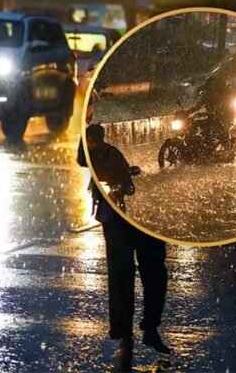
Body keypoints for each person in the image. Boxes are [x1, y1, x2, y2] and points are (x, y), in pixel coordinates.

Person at [77, 123, 170, 371]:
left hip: (129, 219)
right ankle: (127, 333)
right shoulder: (94, 151)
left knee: (151, 271)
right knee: (124, 274)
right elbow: (81, 159)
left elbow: (127, 183)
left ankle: (147, 327)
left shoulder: (113, 153)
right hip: (113, 218)